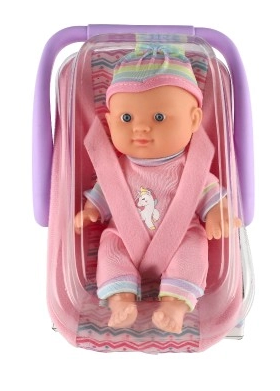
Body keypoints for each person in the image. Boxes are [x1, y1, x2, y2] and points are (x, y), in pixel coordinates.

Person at [74, 43, 241, 334]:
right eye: (127, 119)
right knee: (110, 249)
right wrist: (91, 211)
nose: (141, 128)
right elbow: (106, 192)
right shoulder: (117, 169)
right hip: (124, 237)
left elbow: (210, 195)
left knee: (194, 248)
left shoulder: (191, 169)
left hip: (180, 237)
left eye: (159, 117)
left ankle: (175, 305)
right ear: (110, 122)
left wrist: (218, 213)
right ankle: (120, 299)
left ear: (193, 120)